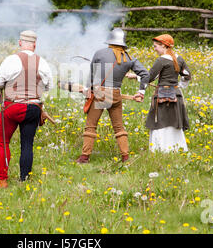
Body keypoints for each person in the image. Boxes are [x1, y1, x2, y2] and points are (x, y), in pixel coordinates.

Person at [0, 30, 53, 188]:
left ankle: (2, 179)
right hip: (33, 108)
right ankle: (24, 179)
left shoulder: (11, 60)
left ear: (20, 43)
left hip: (14, 107)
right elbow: (48, 86)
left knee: (2, 141)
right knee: (27, 144)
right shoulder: (43, 62)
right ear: (34, 45)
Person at [76, 28, 149, 164]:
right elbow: (146, 75)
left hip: (100, 93)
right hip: (116, 94)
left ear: (110, 40)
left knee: (91, 126)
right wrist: (141, 92)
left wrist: (87, 89)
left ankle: (84, 157)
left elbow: (91, 75)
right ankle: (125, 157)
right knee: (119, 127)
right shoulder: (129, 58)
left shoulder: (99, 53)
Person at [144, 34, 192, 153]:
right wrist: (178, 86)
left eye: (156, 46)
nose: (154, 49)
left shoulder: (161, 60)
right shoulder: (179, 59)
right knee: (173, 122)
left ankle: (160, 149)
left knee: (160, 121)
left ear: (164, 46)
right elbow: (187, 75)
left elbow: (149, 77)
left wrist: (136, 77)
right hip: (176, 94)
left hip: (162, 96)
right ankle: (176, 148)